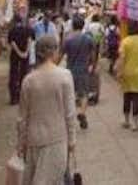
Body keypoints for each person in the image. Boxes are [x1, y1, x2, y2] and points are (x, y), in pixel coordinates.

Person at [16, 34, 76, 185]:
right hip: (57, 138)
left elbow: (22, 117)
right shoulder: (65, 76)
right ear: (54, 52)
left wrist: (21, 143)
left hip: (33, 138)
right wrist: (72, 139)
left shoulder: (28, 80)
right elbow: (70, 113)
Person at [61, 15, 96, 129]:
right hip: (83, 70)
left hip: (70, 70)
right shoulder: (88, 39)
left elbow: (60, 55)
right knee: (84, 94)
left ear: (72, 26)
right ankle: (82, 112)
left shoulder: (68, 40)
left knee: (70, 95)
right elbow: (93, 55)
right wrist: (92, 65)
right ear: (83, 26)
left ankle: (70, 118)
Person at [8, 14, 33, 105]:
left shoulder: (12, 30)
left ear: (14, 21)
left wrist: (18, 52)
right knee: (24, 74)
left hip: (14, 55)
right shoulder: (28, 29)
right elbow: (30, 40)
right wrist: (26, 52)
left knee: (14, 75)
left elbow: (12, 43)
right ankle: (23, 97)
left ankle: (14, 98)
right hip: (25, 55)